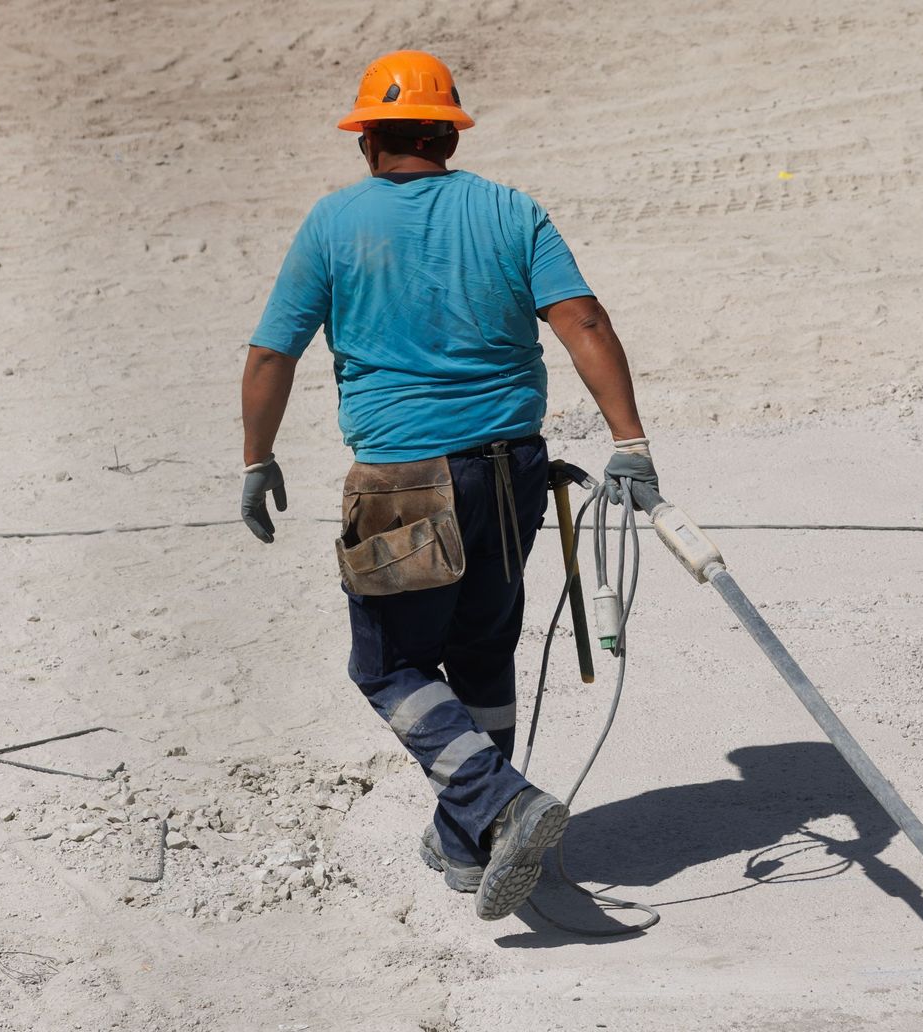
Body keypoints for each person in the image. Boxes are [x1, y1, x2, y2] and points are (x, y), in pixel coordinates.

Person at [237, 50, 659, 922]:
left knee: (387, 664)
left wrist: (257, 457)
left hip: (404, 481)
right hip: (513, 473)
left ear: (368, 142)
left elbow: (273, 353)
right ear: (448, 137)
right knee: (480, 650)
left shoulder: (334, 223)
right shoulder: (509, 210)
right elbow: (582, 319)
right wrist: (631, 441)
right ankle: (468, 842)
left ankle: (503, 803)